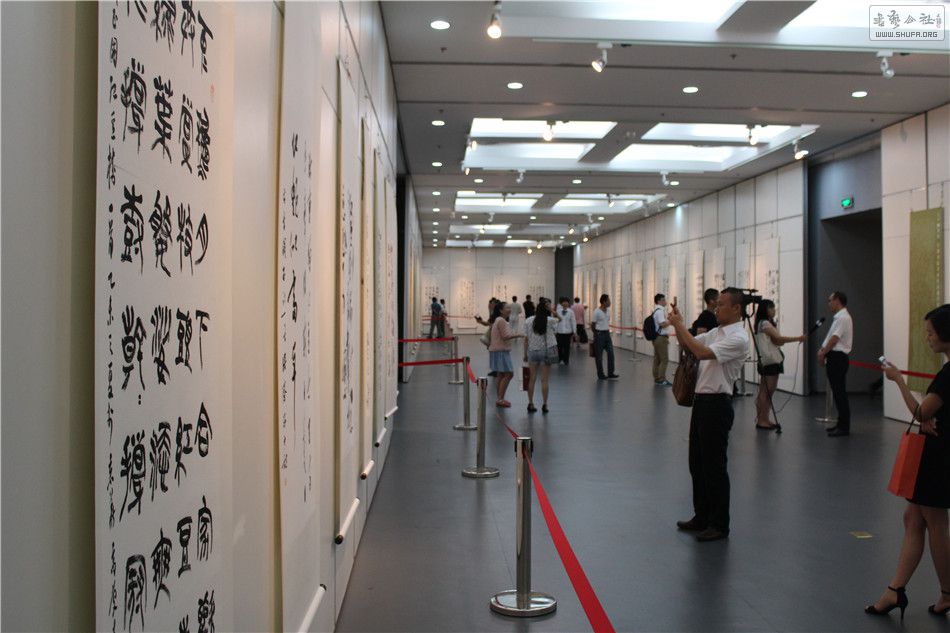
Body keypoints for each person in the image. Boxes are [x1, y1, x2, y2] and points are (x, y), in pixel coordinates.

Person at [865, 304, 950, 620]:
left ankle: (946, 594)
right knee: (913, 518)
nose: (928, 338)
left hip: (938, 457)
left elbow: (920, 411)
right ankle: (896, 590)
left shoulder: (947, 375)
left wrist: (898, 380)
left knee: (936, 523)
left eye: (931, 332)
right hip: (936, 453)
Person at [670, 289, 749, 542]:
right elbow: (689, 345)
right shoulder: (717, 332)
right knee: (697, 464)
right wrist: (679, 325)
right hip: (702, 402)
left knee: (714, 467)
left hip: (717, 405)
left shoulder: (738, 338)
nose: (716, 308)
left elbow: (702, 352)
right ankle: (702, 515)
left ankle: (719, 524)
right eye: (716, 304)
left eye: (722, 304)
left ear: (736, 308)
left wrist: (679, 325)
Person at [753, 300, 806, 431]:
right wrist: (798, 338)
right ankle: (762, 420)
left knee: (765, 391)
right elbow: (780, 339)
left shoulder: (761, 323)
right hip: (770, 361)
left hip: (766, 361)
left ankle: (763, 419)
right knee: (767, 391)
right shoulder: (765, 323)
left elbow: (777, 341)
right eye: (771, 308)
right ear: (766, 309)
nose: (774, 310)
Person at [818, 291, 854, 437]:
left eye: (830, 300)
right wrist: (823, 350)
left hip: (837, 358)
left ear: (837, 300)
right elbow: (831, 338)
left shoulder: (843, 318)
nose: (828, 303)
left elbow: (834, 338)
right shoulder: (840, 317)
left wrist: (823, 352)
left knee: (840, 393)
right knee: (838, 392)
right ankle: (841, 423)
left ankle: (844, 426)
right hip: (835, 357)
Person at [523, 301, 558, 412]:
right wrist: (552, 310)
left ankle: (530, 403)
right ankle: (545, 404)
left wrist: (525, 354)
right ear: (546, 310)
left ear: (536, 309)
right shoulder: (549, 320)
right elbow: (560, 319)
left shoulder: (528, 320)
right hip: (545, 352)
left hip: (532, 351)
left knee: (532, 379)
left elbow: (526, 339)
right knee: (544, 380)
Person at [488, 301, 522, 407]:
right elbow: (505, 336)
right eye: (507, 308)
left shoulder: (498, 320)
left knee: (501, 374)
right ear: (501, 310)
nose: (510, 310)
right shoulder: (501, 321)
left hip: (497, 350)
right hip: (501, 351)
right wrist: (518, 335)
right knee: (509, 374)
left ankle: (500, 398)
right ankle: (500, 399)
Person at [592, 294, 618, 380]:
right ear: (604, 302)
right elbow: (593, 324)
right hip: (599, 334)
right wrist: (596, 334)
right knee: (599, 356)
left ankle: (610, 373)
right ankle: (600, 374)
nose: (610, 302)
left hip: (607, 334)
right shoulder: (596, 312)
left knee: (611, 353)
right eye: (608, 300)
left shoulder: (608, 311)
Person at [652, 294, 673, 387]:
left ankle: (657, 378)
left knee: (657, 359)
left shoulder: (656, 310)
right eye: (664, 300)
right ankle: (661, 379)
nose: (665, 301)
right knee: (664, 359)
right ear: (659, 301)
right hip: (661, 338)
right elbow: (662, 324)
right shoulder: (660, 311)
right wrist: (671, 321)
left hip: (656, 337)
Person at [555, 297, 577, 365]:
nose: (565, 303)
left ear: (568, 303)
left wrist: (574, 331)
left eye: (566, 302)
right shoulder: (558, 311)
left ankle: (566, 360)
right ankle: (560, 358)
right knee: (559, 346)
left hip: (568, 332)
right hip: (559, 331)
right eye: (563, 302)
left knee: (567, 347)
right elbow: (556, 321)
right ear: (561, 303)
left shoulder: (571, 312)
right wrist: (555, 331)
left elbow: (573, 321)